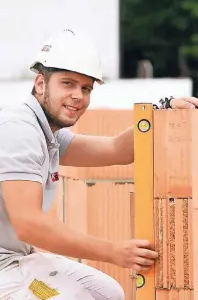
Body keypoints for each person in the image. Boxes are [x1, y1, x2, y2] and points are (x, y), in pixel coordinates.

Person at [0, 29, 197, 300]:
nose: (78, 96)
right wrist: (113, 251)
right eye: (67, 83)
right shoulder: (19, 129)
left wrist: (161, 110)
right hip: (3, 269)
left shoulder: (48, 133)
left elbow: (116, 149)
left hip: (19, 258)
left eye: (86, 88)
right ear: (40, 84)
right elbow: (29, 224)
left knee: (108, 293)